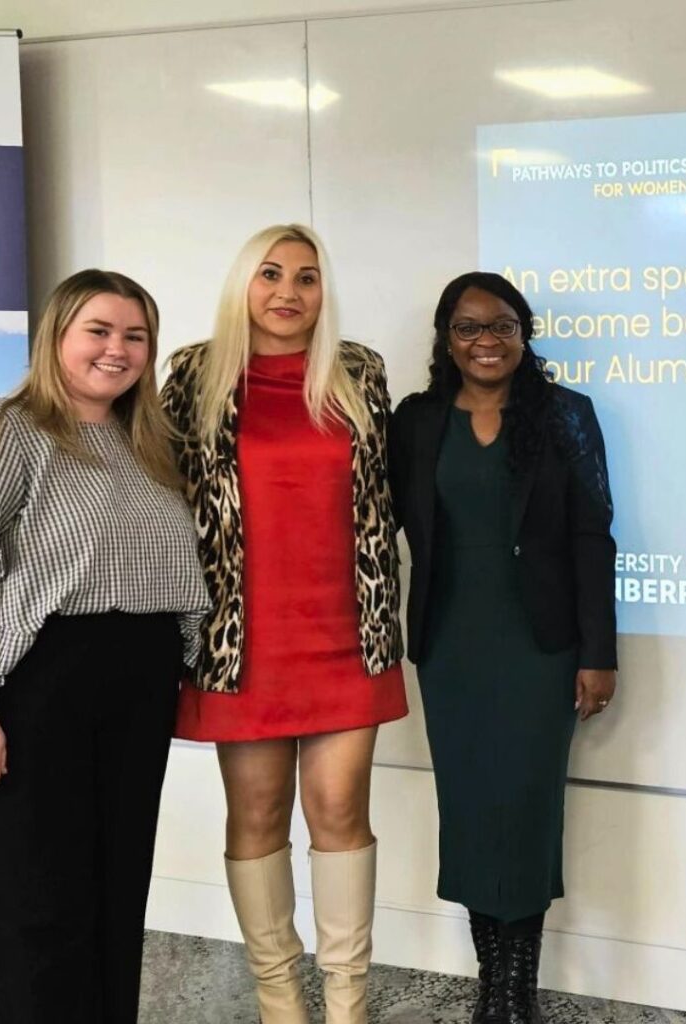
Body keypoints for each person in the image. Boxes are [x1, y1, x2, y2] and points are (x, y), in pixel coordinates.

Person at [0, 269, 209, 1024]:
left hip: (134, 690)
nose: (118, 349)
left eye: (135, 336)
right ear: (56, 338)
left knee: (110, 903)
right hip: (31, 691)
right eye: (98, 331)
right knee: (38, 918)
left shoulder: (150, 445)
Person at [162, 224, 407, 1024]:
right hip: (242, 643)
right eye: (270, 274)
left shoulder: (358, 373)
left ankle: (347, 1002)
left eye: (306, 277)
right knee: (258, 815)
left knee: (340, 813)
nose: (288, 293)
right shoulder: (194, 376)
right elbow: (158, 497)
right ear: (244, 284)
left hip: (348, 634)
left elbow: (389, 495)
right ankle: (279, 999)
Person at [389, 272, 617, 1023]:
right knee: (471, 808)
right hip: (451, 647)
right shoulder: (418, 421)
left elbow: (592, 537)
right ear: (445, 339)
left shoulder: (565, 416)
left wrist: (598, 652)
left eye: (502, 327)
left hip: (541, 647)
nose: (486, 342)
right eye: (468, 328)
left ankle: (517, 988)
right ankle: (495, 985)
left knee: (524, 808)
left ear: (524, 333)